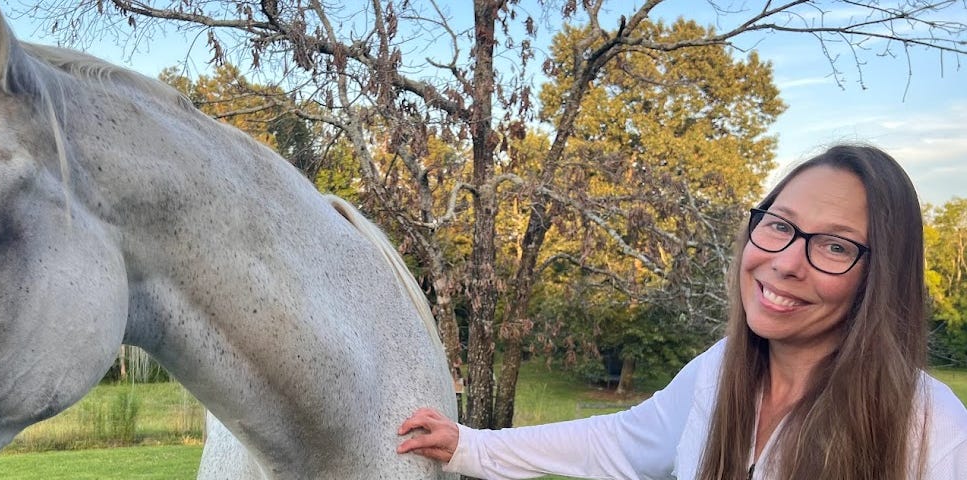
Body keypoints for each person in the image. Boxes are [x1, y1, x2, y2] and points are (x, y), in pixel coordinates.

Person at [397, 144, 967, 479]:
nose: (788, 262)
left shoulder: (930, 427)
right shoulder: (719, 374)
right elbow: (615, 443)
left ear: (880, 275)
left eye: (836, 245)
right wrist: (467, 445)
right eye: (779, 225)